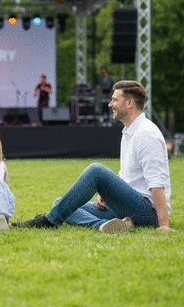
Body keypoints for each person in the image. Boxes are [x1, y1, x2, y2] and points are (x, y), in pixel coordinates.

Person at [12, 80, 172, 232]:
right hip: (128, 206)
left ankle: (49, 221)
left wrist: (163, 224)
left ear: (129, 103)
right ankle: (104, 225)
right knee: (61, 203)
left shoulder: (146, 133)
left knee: (96, 170)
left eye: (115, 100)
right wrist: (107, 196)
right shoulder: (129, 131)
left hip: (147, 212)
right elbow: (129, 178)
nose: (110, 104)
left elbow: (157, 181)